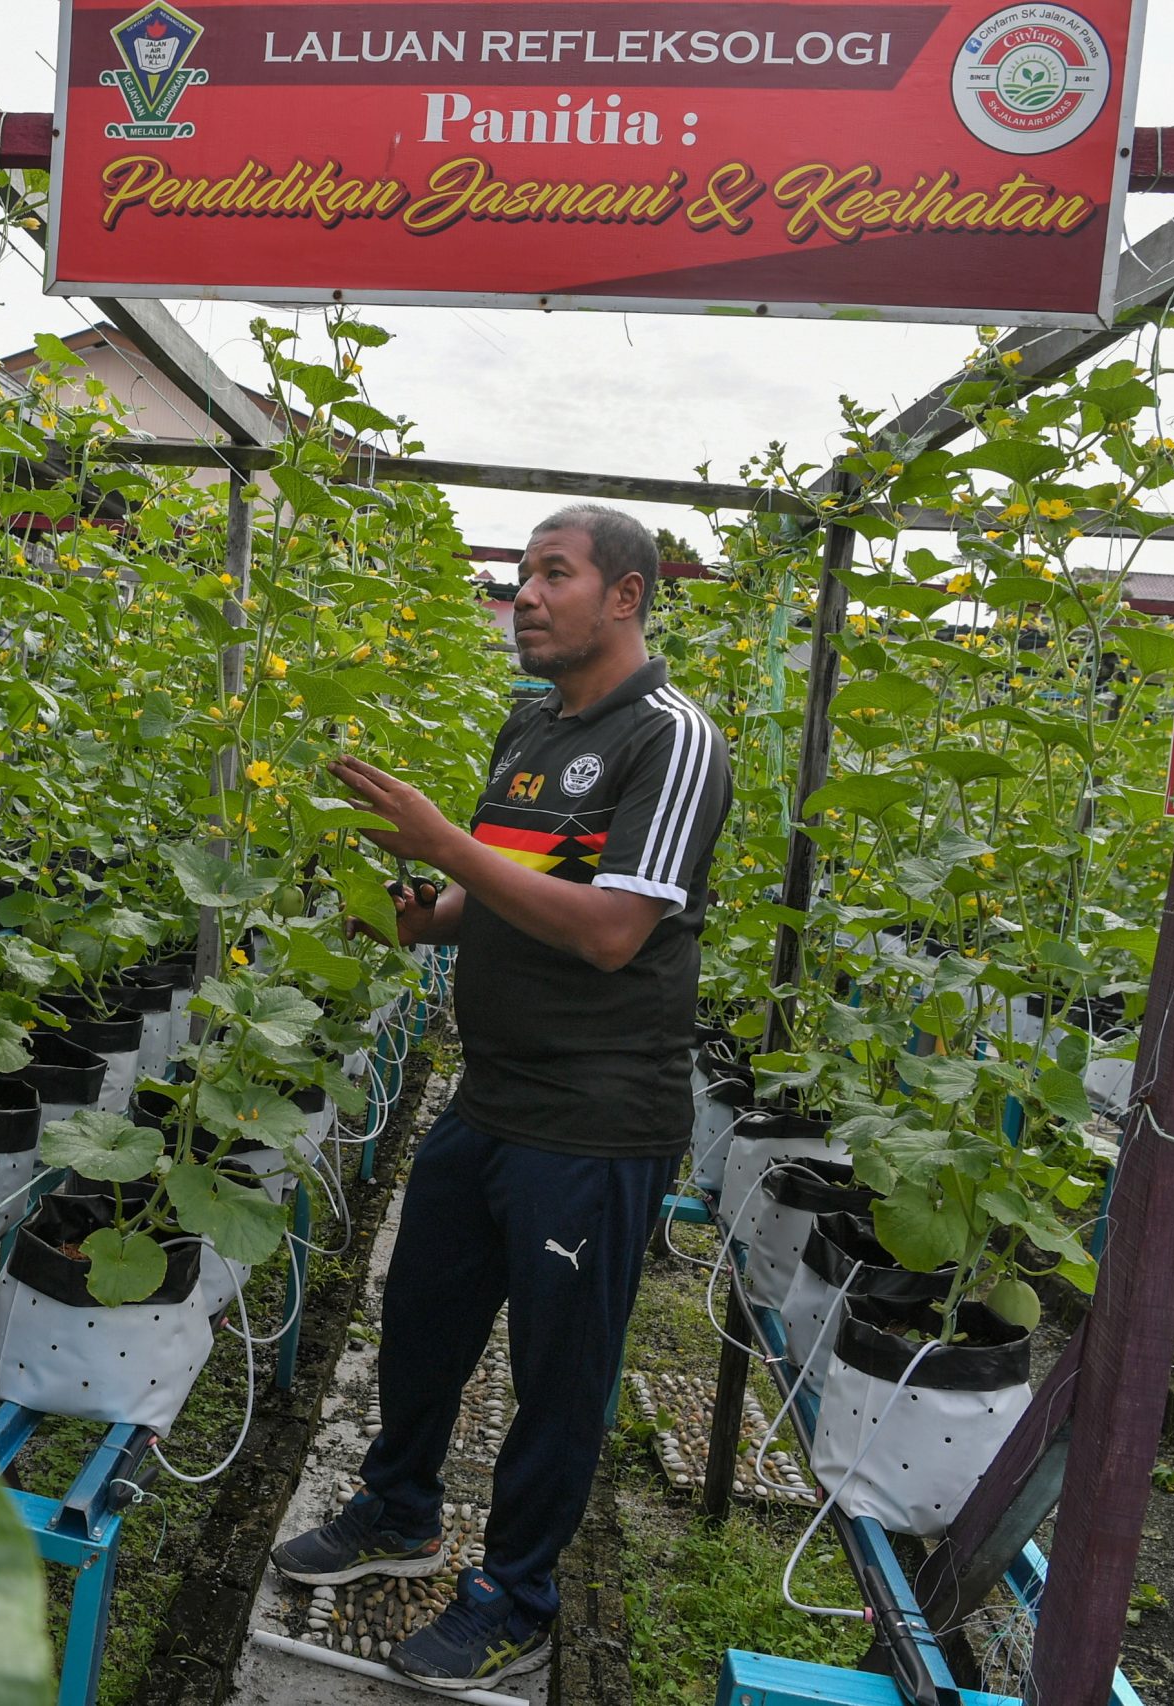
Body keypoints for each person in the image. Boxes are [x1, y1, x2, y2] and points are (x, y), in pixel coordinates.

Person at [286, 502, 733, 1690]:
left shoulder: (672, 740)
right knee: (421, 1317)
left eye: (553, 572)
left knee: (556, 1370)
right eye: (518, 571)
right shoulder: (528, 726)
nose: (523, 593)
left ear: (626, 594)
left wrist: (442, 844)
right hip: (489, 1095)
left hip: (594, 1117)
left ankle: (519, 1590)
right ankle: (398, 1510)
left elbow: (611, 932)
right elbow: (493, 895)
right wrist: (395, 906)